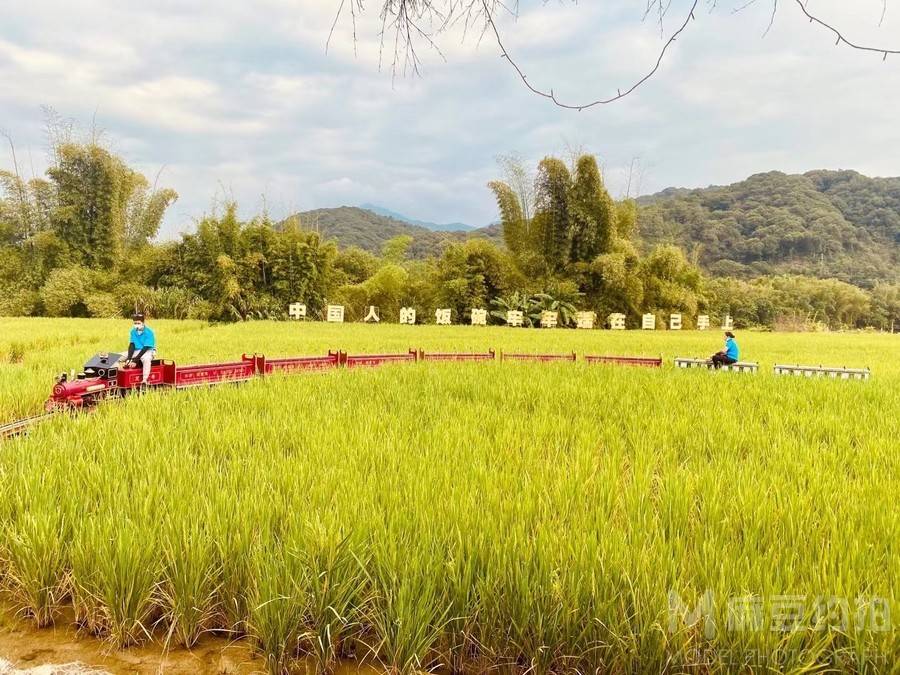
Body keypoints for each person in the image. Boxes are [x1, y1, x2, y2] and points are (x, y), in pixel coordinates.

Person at [126, 313, 156, 384]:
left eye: (138, 323)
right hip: (136, 350)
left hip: (147, 350)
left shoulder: (149, 332)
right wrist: (129, 358)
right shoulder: (133, 331)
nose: (136, 324)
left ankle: (145, 380)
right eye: (135, 323)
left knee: (146, 359)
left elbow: (146, 347)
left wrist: (135, 360)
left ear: (143, 323)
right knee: (119, 356)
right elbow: (132, 344)